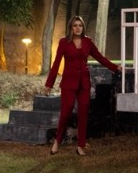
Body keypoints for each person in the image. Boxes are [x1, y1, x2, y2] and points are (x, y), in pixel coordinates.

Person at [44, 15, 120, 155]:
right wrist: (49, 83)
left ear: (83, 27)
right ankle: (57, 142)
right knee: (66, 112)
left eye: (80, 25)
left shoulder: (87, 42)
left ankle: (80, 145)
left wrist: (115, 67)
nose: (78, 28)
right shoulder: (63, 43)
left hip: (84, 83)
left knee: (83, 113)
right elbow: (56, 65)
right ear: (70, 28)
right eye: (75, 25)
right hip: (68, 83)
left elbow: (100, 57)